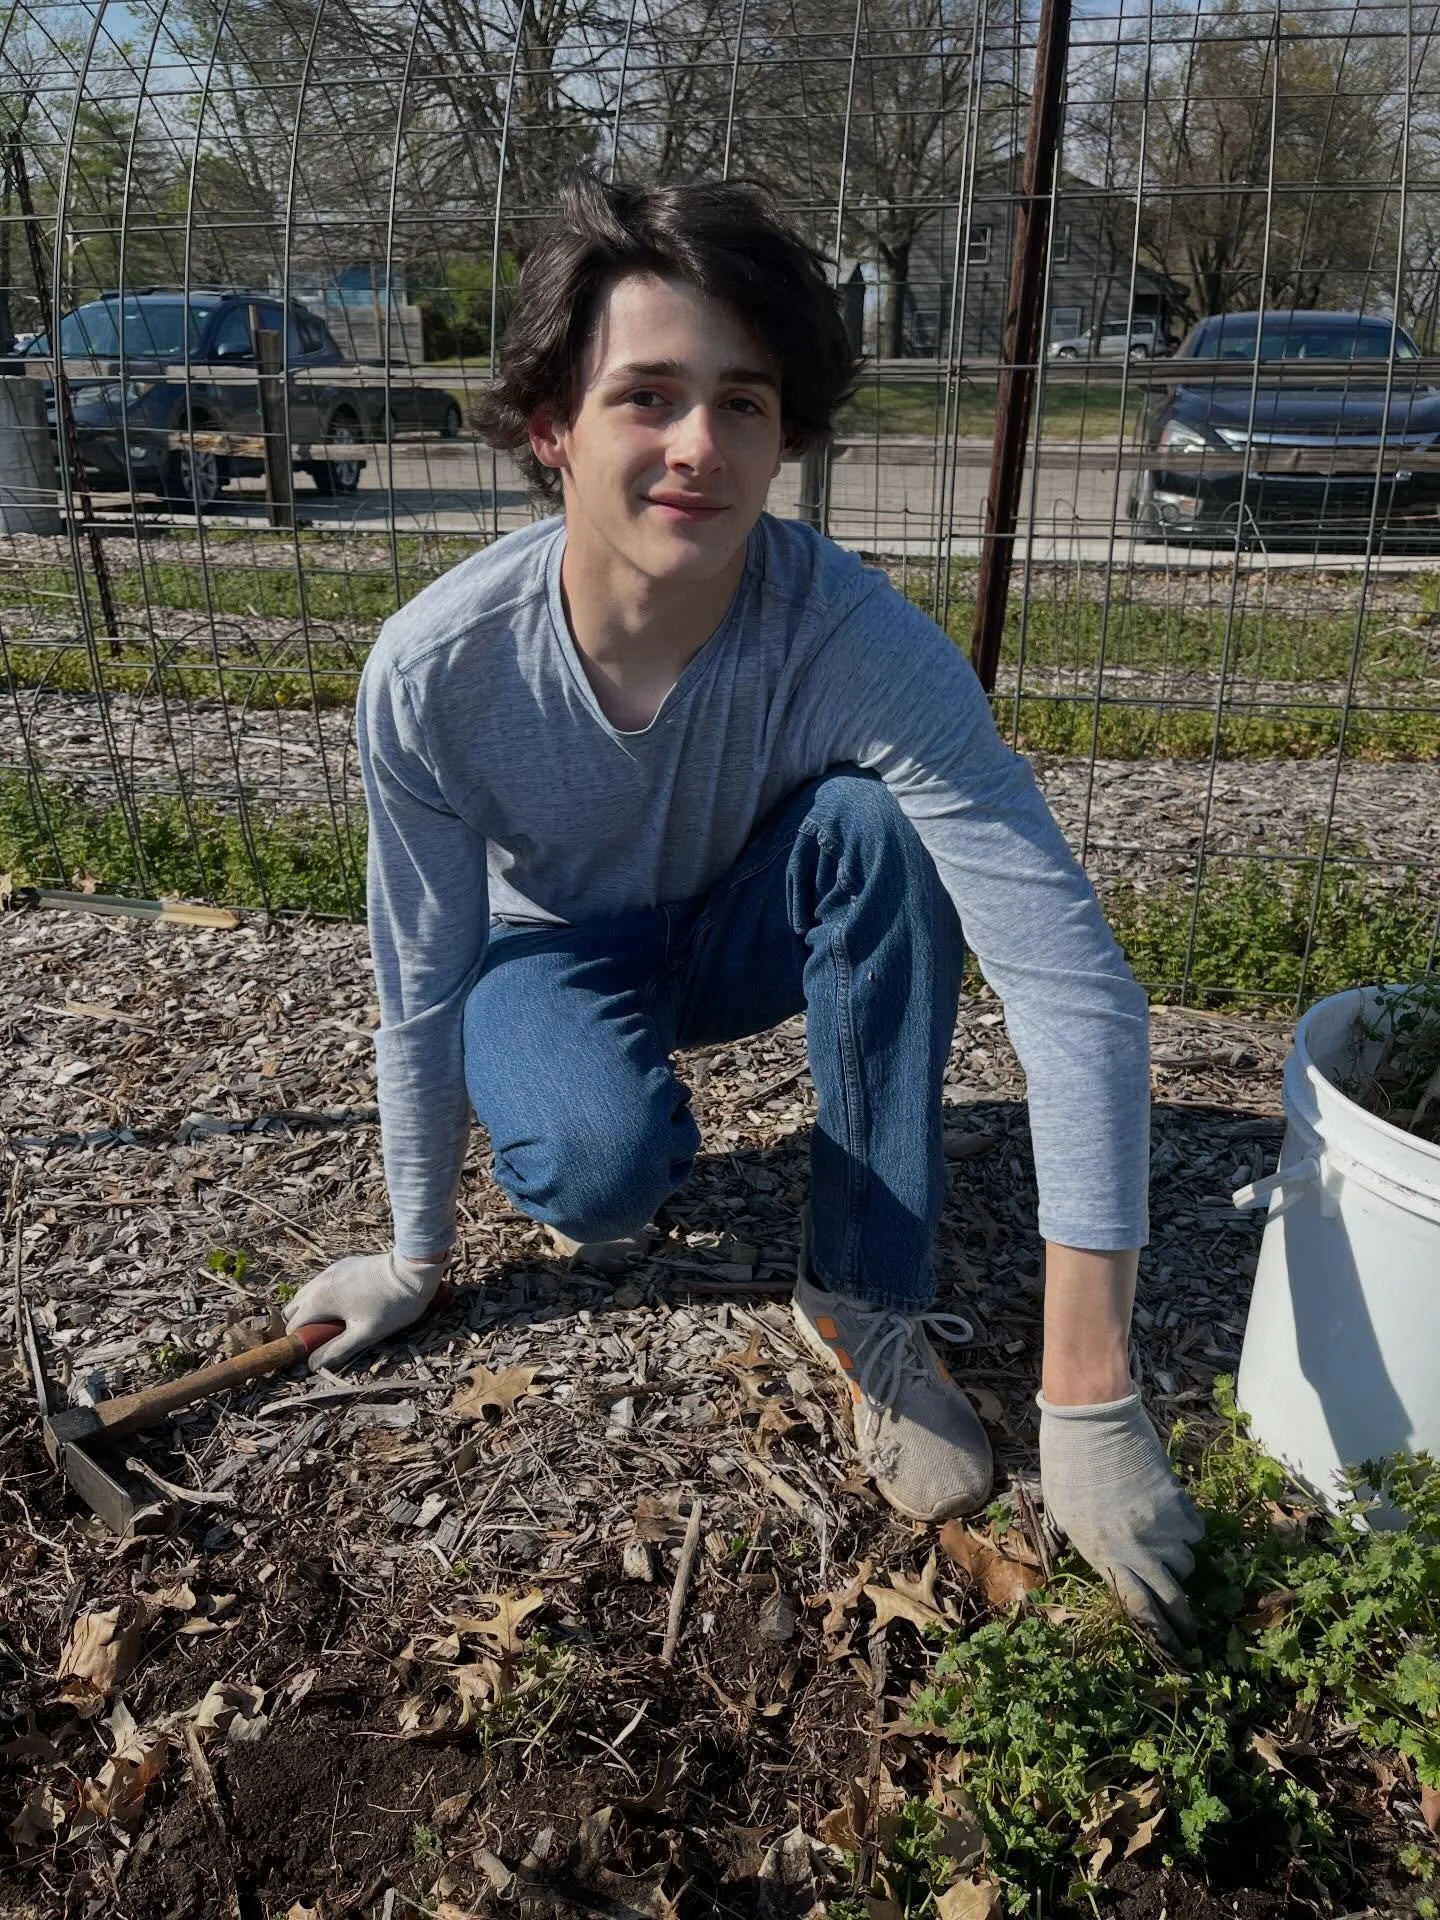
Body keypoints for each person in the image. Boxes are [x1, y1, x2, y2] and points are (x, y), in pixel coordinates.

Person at [282, 166, 1203, 1647]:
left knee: (879, 825)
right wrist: (415, 1255)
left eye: (746, 402)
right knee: (599, 1172)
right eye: (646, 395)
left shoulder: (852, 636)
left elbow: (1072, 981)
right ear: (550, 430)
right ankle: (608, 1115)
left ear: (785, 436)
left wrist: (1090, 1389)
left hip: (741, 922)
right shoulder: (437, 670)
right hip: (547, 949)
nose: (699, 446)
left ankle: (861, 1294)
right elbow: (424, 964)